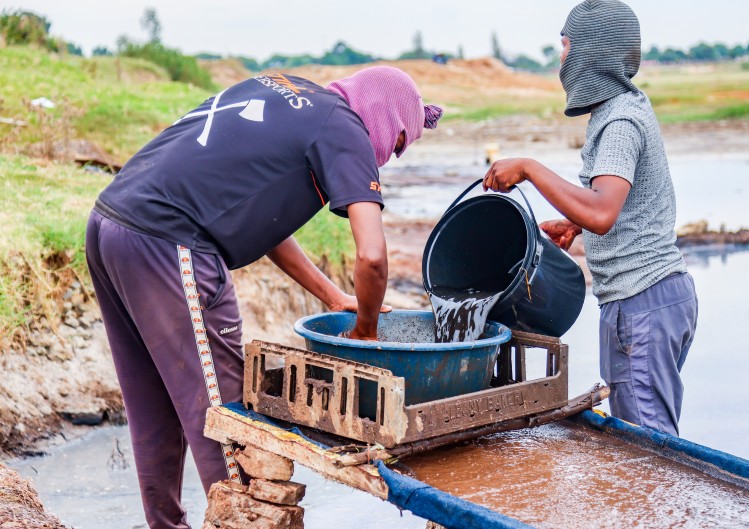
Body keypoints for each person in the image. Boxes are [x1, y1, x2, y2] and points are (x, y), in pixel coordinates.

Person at [86, 66, 442, 529]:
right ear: (384, 116)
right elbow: (372, 257)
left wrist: (332, 295)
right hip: (169, 242)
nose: (388, 158)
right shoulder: (346, 127)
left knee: (152, 404)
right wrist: (366, 333)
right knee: (225, 415)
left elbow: (262, 218)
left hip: (110, 224)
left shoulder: (286, 91)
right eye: (396, 144)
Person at [482, 0, 697, 437]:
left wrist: (528, 168)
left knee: (648, 454)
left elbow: (602, 211)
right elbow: (613, 204)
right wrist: (574, 223)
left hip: (642, 303)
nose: (560, 58)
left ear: (590, 53)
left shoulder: (619, 121)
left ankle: (658, 511)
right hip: (655, 300)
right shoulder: (623, 108)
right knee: (648, 442)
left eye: (565, 45)